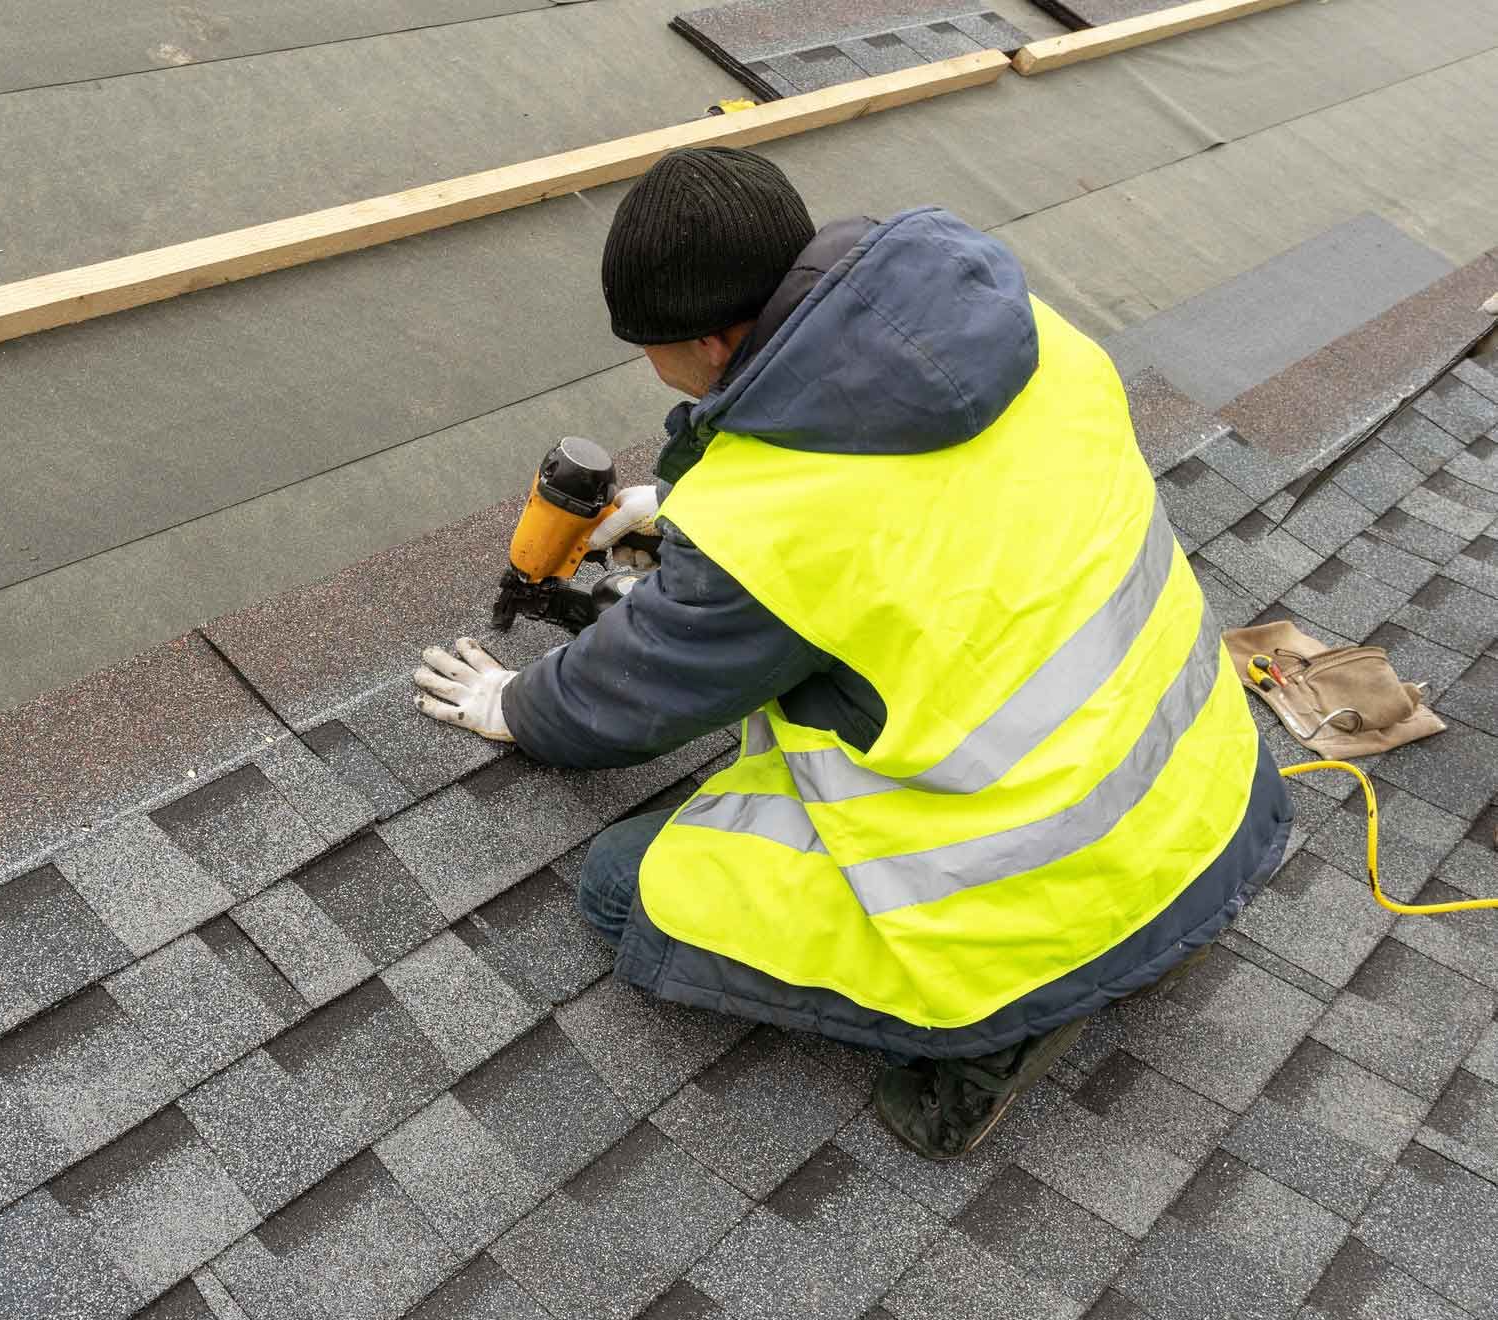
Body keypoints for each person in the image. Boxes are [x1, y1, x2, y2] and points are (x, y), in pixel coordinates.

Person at [413, 146, 1292, 1161]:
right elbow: (919, 512)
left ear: (706, 342)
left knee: (623, 888)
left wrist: (511, 705)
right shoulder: (1030, 340)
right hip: (1206, 796)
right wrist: (684, 514)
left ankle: (995, 1024)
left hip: (1050, 888)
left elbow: (625, 700)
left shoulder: (776, 532)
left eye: (648, 349)